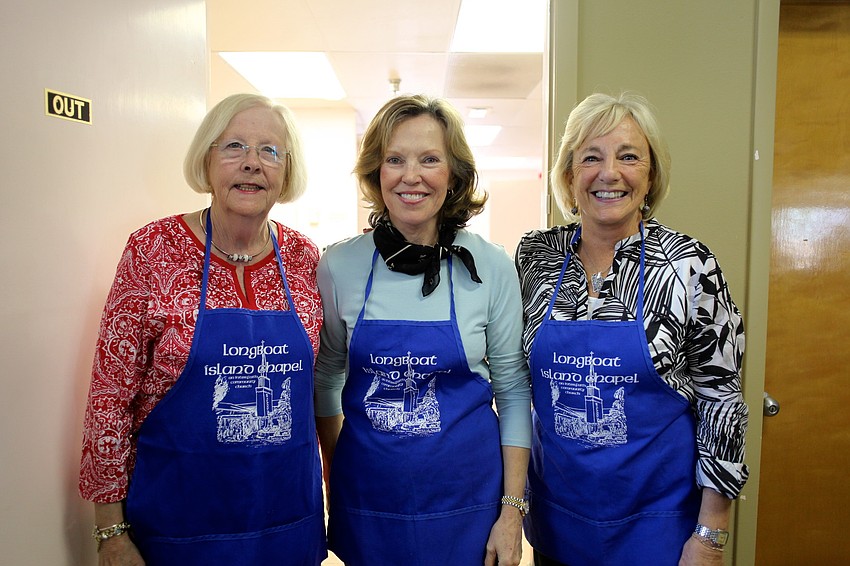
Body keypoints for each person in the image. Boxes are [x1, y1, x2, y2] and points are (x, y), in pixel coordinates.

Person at [79, 93, 326, 565]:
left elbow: (317, 389)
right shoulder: (152, 250)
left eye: (270, 151)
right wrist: (110, 530)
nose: (252, 163)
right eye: (234, 146)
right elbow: (109, 398)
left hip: (287, 523)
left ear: (286, 171)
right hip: (178, 526)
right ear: (207, 160)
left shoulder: (304, 258)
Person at [515, 92, 749, 566]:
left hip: (659, 529)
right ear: (568, 174)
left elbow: (722, 402)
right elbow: (514, 384)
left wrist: (710, 537)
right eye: (590, 158)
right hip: (557, 524)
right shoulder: (535, 257)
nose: (609, 173)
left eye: (628, 157)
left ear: (651, 174)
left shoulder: (688, 265)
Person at [314, 94, 532, 566]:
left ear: (452, 174)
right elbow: (326, 378)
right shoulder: (339, 266)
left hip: (470, 506)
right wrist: (341, 471)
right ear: (376, 172)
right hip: (369, 505)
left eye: (429, 159)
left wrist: (512, 512)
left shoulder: (491, 266)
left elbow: (514, 391)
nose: (411, 176)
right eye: (395, 159)